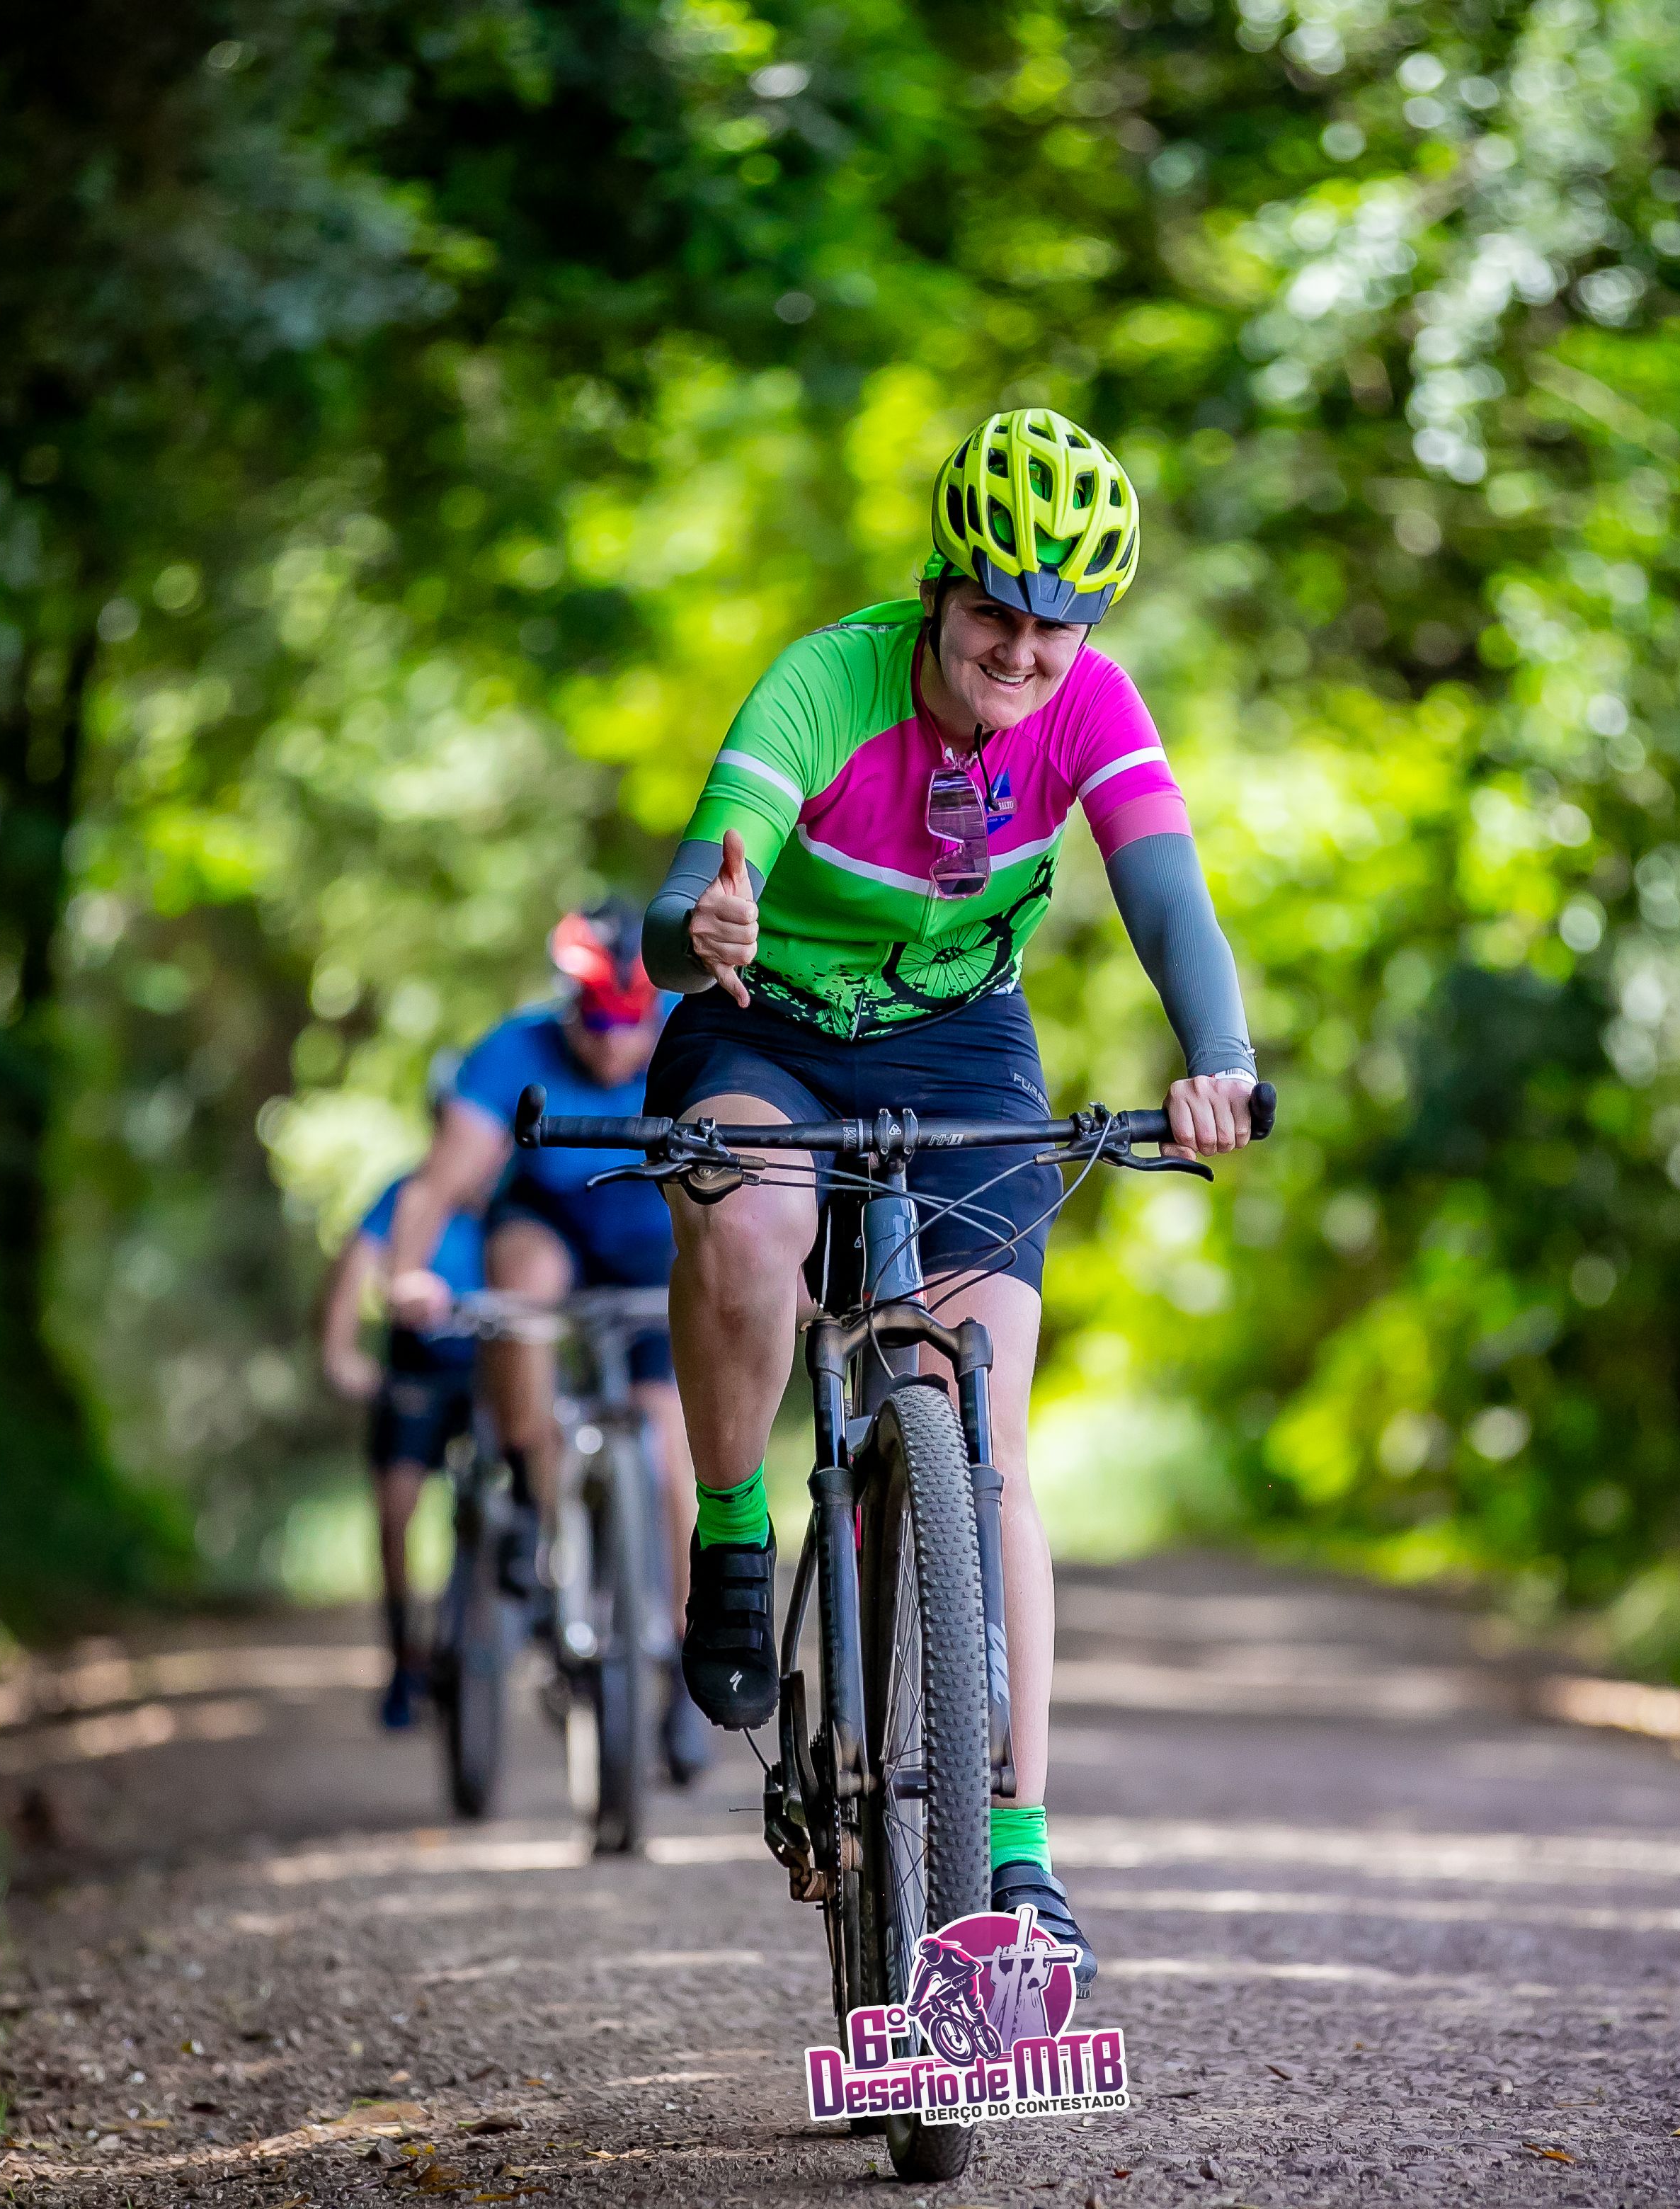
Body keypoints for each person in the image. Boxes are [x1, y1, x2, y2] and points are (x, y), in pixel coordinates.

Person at [642, 407, 1259, 1983]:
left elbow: (1164, 890)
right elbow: (689, 890)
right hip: (764, 1023)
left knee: (987, 1444)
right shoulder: (826, 683)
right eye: (995, 612)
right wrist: (699, 925)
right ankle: (733, 1530)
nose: (1023, 651)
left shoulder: (1089, 703)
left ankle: (1020, 1857)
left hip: (960, 1038)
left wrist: (1221, 1057)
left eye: (1059, 626)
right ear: (939, 588)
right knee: (751, 1223)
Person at [361, 898, 712, 1780]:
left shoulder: (696, 1030)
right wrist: (408, 1274)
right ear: (567, 1007)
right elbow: (437, 1183)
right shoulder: (514, 1051)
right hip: (548, 1222)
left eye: (630, 1025)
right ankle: (534, 1495)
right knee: (520, 1285)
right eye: (595, 1024)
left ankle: (683, 1661)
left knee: (671, 1444)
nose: (612, 1048)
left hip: (652, 1234)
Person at [317, 1142, 488, 1733]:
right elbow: (355, 1266)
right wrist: (341, 1355)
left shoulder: (515, 1189)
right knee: (395, 1512)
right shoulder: (404, 1193)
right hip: (417, 1367)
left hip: (495, 1364)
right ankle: (403, 1659)